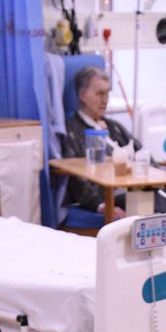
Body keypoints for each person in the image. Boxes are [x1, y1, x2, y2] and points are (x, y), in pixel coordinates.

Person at [55, 65, 135, 224]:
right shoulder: (71, 130)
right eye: (99, 93)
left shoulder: (114, 127)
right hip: (106, 197)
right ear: (82, 95)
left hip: (133, 190)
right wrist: (101, 205)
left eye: (107, 94)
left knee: (163, 204)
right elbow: (75, 177)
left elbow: (142, 153)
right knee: (153, 209)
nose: (105, 100)